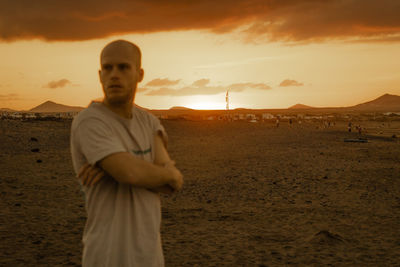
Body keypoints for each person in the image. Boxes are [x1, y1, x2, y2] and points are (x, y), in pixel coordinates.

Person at [70, 39, 183, 267]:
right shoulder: (90, 121)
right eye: (108, 68)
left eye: (123, 67)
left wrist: (160, 176)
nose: (114, 75)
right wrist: (168, 173)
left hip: (149, 255)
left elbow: (169, 185)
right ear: (100, 75)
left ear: (139, 74)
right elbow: (129, 173)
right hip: (106, 255)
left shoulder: (149, 122)